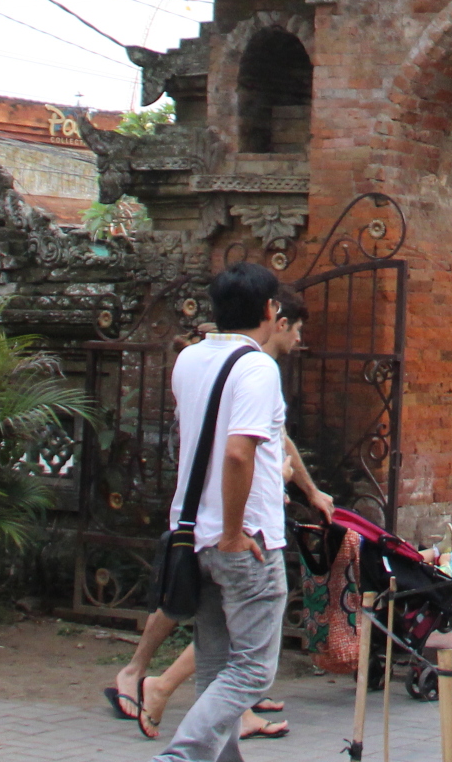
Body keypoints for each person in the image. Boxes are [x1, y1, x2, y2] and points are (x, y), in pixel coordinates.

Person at [128, 291, 331, 742]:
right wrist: (236, 532)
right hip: (244, 537)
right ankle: (182, 753)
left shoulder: (191, 359)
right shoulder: (258, 367)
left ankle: (205, 747)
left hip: (194, 532)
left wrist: (297, 484)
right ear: (271, 311)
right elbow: (239, 453)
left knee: (215, 665)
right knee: (253, 670)